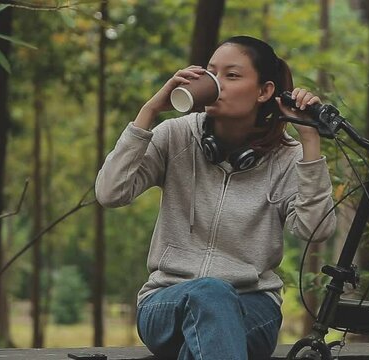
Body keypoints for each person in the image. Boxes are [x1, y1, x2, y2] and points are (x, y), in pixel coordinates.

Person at [95, 35, 336, 360]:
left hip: (254, 307)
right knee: (211, 294)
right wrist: (150, 111)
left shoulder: (287, 158)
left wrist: (310, 142)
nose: (216, 83)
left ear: (264, 91)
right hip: (166, 301)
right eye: (211, 72)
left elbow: (315, 230)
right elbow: (110, 192)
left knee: (205, 332)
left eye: (232, 75)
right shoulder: (176, 135)